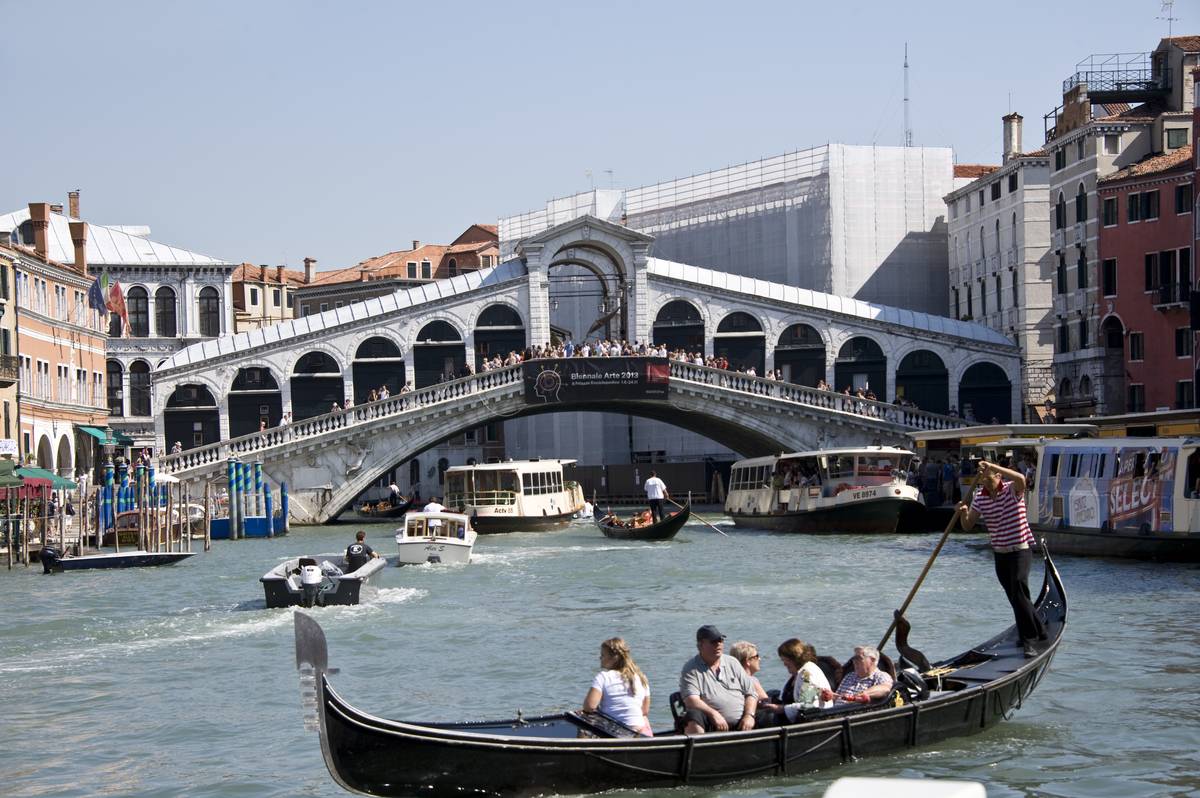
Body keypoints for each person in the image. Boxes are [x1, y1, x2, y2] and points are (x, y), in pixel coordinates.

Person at [957, 459, 1048, 657]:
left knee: (1018, 591)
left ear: (998, 475)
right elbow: (968, 525)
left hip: (1020, 550)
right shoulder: (979, 498)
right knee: (1015, 597)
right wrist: (963, 513)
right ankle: (1040, 629)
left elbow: (1021, 478)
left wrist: (993, 467)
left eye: (988, 478)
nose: (985, 483)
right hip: (1000, 554)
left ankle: (1029, 640)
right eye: (983, 480)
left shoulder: (1012, 489)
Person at [679, 625, 768, 734]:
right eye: (713, 642)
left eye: (721, 640)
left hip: (743, 722)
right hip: (712, 724)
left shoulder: (733, 662)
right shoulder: (691, 668)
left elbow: (751, 693)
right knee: (693, 715)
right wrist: (714, 714)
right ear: (700, 645)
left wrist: (749, 716)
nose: (718, 644)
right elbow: (691, 700)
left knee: (770, 716)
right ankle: (700, 748)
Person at [582, 637, 652, 736]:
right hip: (639, 731)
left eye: (603, 655)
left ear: (614, 658)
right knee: (643, 718)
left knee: (585, 716)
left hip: (617, 732)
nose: (600, 658)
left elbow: (589, 707)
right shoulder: (641, 677)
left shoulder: (603, 677)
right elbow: (645, 711)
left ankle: (584, 749)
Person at [762, 638, 832, 722]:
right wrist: (771, 701)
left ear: (793, 659)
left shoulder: (807, 674)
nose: (784, 664)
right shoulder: (798, 674)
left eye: (785, 660)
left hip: (812, 722)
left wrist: (781, 709)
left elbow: (808, 705)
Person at [820, 645, 893, 704]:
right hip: (836, 712)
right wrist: (831, 695)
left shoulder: (881, 676)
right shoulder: (850, 676)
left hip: (856, 716)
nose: (854, 661)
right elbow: (838, 697)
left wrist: (862, 694)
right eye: (854, 658)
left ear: (872, 660)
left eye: (858, 658)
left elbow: (885, 688)